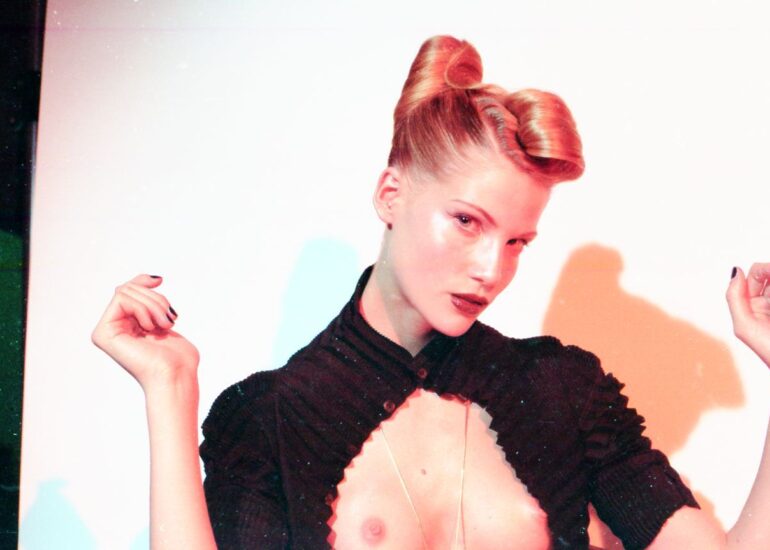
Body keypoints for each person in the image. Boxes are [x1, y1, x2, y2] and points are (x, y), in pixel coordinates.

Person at [91, 35, 770, 549]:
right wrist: (170, 391)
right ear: (391, 194)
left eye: (517, 242)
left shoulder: (563, 391)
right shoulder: (268, 417)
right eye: (467, 222)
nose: (491, 270)